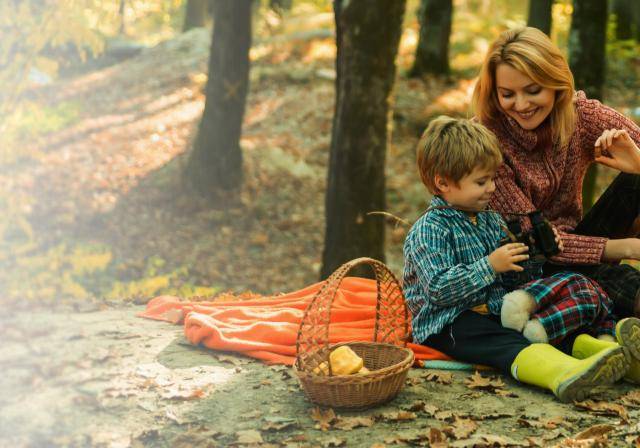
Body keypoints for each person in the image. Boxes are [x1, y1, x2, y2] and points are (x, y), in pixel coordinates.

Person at [403, 115, 632, 402]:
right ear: (443, 183)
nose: (492, 188)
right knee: (498, 339)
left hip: (495, 307)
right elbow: (438, 290)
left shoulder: (489, 220)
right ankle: (561, 373)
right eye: (481, 181)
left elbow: (516, 279)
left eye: (492, 179)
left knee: (563, 295)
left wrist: (534, 254)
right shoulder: (430, 229)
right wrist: (489, 266)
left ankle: (600, 352)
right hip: (447, 322)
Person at [472, 26, 640, 320]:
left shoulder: (581, 115)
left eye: (533, 90)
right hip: (525, 266)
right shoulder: (485, 142)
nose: (521, 105)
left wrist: (638, 164)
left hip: (581, 241)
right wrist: (626, 247)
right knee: (616, 281)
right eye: (507, 94)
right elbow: (536, 242)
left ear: (555, 83)